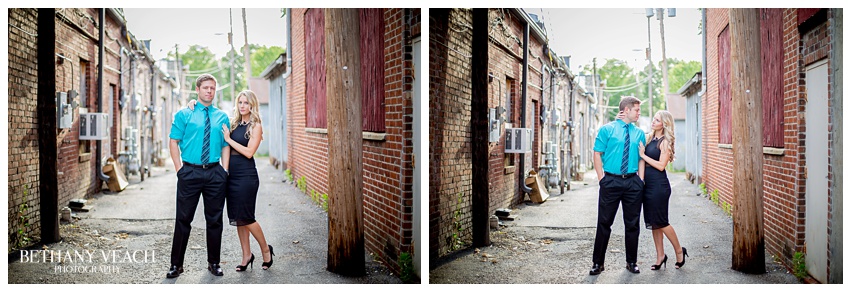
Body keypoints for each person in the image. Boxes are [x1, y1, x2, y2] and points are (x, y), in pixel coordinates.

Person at [188, 90, 275, 271]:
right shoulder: (233, 123)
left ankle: (266, 250)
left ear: (252, 105)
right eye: (240, 102)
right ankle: (246, 255)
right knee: (237, 218)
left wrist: (228, 139)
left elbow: (249, 152)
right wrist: (193, 104)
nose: (242, 106)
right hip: (231, 175)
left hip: (246, 176)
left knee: (248, 217)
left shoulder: (255, 126)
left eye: (246, 103)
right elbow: (211, 113)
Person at [167, 74, 231, 278]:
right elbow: (173, 141)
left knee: (214, 220)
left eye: (212, 88)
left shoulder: (222, 116)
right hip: (190, 171)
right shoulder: (184, 114)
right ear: (197, 89)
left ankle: (214, 263)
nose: (209, 91)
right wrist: (179, 170)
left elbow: (225, 145)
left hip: (214, 172)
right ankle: (176, 265)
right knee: (183, 219)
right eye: (206, 88)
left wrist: (224, 170)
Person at [590, 96, 647, 275]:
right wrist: (601, 179)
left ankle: (631, 262)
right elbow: (597, 153)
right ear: (626, 110)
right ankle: (598, 263)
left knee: (632, 224)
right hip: (611, 181)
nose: (639, 113)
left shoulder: (639, 133)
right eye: (636, 110)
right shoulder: (607, 129)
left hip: (632, 182)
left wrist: (640, 181)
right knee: (604, 223)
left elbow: (641, 159)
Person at [638, 110, 688, 270]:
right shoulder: (649, 138)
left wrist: (643, 156)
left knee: (662, 221)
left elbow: (661, 166)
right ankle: (660, 256)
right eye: (653, 118)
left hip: (659, 186)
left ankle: (679, 251)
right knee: (654, 223)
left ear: (664, 124)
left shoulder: (665, 142)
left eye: (657, 120)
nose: (653, 121)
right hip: (648, 185)